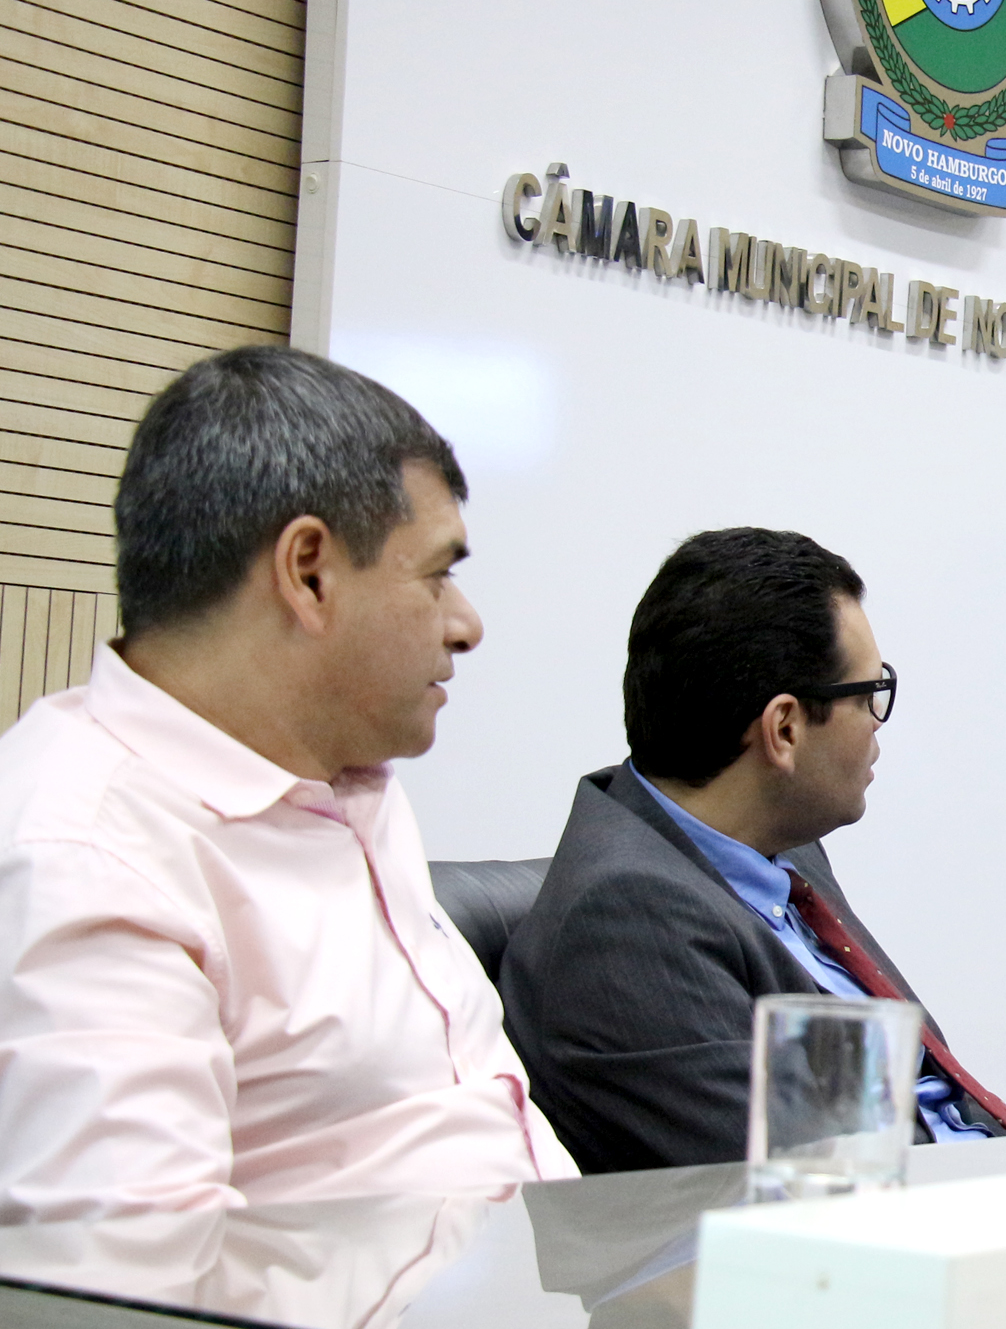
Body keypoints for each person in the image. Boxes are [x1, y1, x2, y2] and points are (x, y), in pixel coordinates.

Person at [0, 346, 575, 1224]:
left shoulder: (345, 776)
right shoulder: (87, 855)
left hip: (547, 1281)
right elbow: (129, 1281)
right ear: (308, 572)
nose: (467, 624)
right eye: (438, 574)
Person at [497, 528, 1006, 1173]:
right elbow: (821, 1200)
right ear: (784, 728)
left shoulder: (777, 854)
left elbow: (913, 1111)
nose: (877, 724)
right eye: (869, 695)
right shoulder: (627, 924)